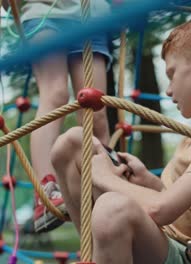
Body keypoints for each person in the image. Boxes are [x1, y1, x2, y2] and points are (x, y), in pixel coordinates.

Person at [50, 12, 191, 264]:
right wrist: (149, 182)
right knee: (72, 143)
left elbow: (160, 210)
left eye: (172, 74)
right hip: (168, 241)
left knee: (112, 209)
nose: (169, 89)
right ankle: (97, 255)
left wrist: (104, 176)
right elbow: (184, 209)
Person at [2, 0, 112, 232]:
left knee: (96, 112)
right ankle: (45, 192)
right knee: (55, 94)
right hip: (44, 12)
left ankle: (104, 188)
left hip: (92, 14)